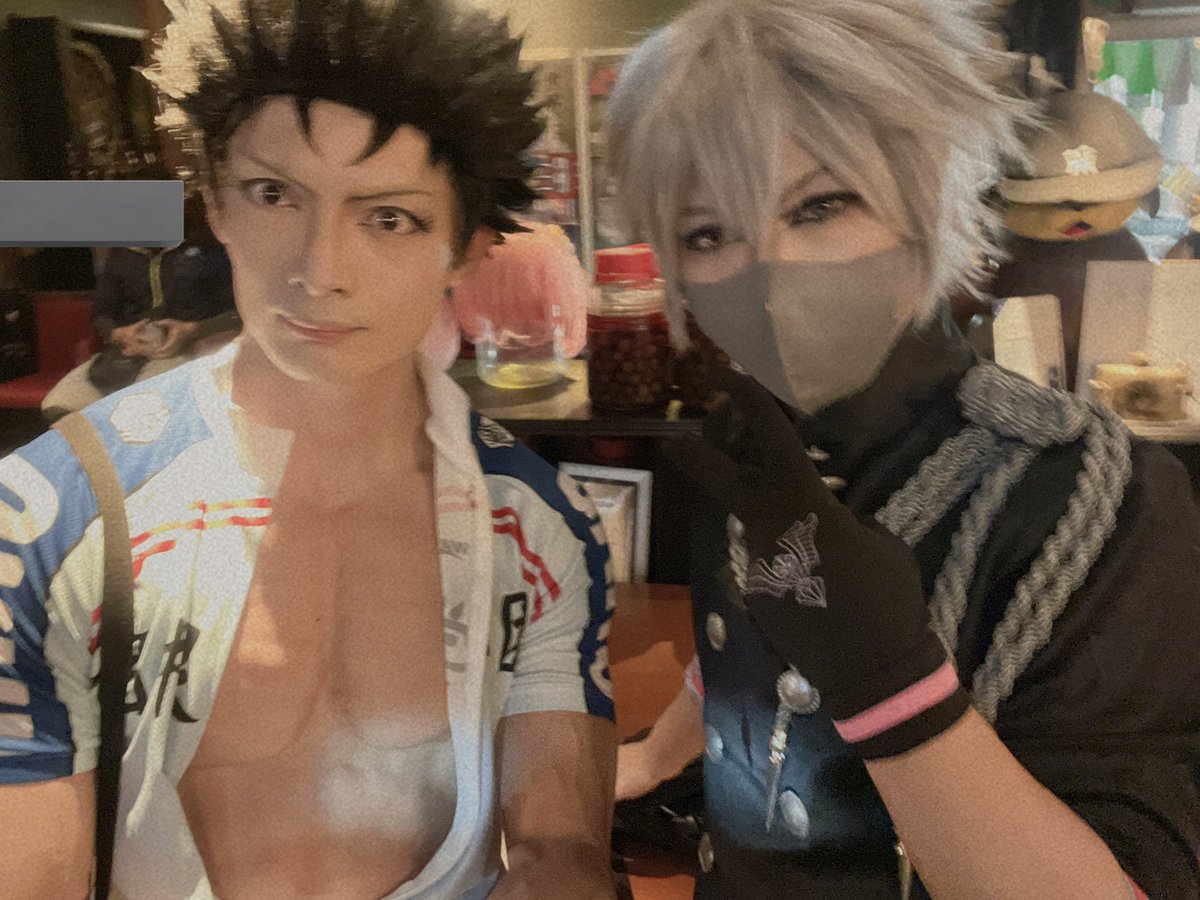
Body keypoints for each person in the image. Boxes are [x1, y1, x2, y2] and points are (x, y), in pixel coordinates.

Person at [0, 1, 617, 898]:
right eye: (274, 194)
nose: (319, 270)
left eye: (390, 218)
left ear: (468, 248)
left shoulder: (539, 527)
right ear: (216, 202)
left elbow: (561, 850)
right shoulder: (45, 519)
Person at [605, 1, 1200, 898]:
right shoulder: (745, 444)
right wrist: (656, 755)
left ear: (929, 197)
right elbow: (741, 648)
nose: (768, 271)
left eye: (821, 205)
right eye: (707, 233)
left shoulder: (1090, 496)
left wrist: (890, 683)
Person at [41, 193, 242, 422]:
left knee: (140, 412)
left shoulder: (207, 249)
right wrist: (118, 334)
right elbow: (101, 312)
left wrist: (191, 330)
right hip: (125, 355)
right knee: (58, 406)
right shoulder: (122, 254)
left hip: (189, 352)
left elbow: (239, 314)